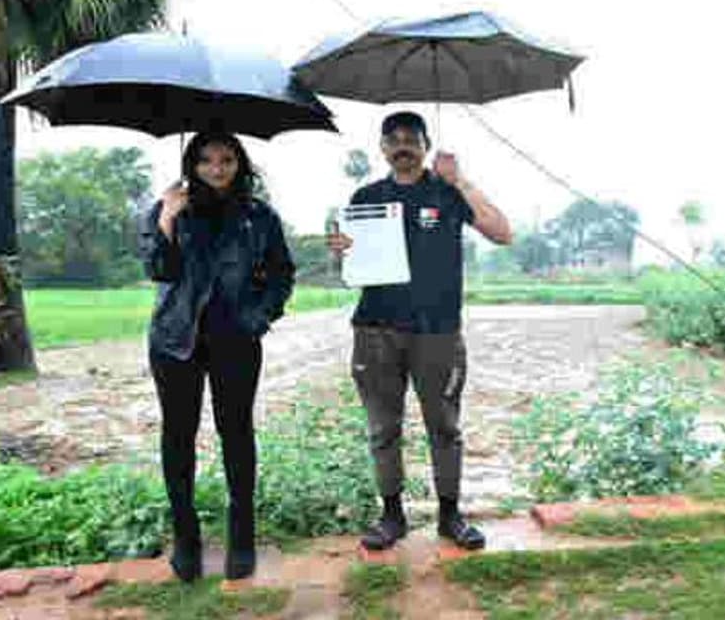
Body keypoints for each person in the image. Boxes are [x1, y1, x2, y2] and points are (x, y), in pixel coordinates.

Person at [327, 111, 513, 551]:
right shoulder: (367, 197)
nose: (402, 147)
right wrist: (342, 252)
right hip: (376, 329)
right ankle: (391, 516)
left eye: (411, 138)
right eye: (393, 140)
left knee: (444, 426)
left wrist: (460, 180)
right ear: (382, 149)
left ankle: (450, 516)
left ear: (427, 146)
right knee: (382, 428)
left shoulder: (447, 193)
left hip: (438, 330)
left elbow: (502, 232)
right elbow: (349, 267)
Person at [140, 131, 295, 581]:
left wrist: (259, 317)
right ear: (192, 164)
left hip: (236, 339)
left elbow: (282, 274)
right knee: (178, 436)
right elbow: (158, 269)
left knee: (237, 433)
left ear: (239, 163)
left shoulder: (259, 216)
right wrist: (168, 218)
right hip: (176, 340)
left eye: (226, 159)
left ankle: (241, 537)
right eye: (206, 160)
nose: (216, 169)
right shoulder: (170, 208)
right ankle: (185, 538)